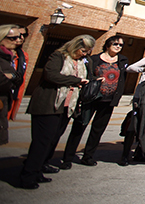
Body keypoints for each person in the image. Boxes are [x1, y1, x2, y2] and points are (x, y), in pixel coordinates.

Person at [20, 35, 94, 189]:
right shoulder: (59, 56)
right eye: (83, 50)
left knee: (53, 139)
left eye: (87, 51)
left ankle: (41, 166)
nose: (84, 54)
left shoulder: (83, 62)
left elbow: (87, 76)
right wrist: (75, 81)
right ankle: (28, 174)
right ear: (75, 46)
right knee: (42, 141)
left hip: (67, 106)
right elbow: (51, 75)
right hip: (49, 103)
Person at [61, 35, 129, 168]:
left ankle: (88, 156)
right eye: (116, 44)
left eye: (121, 45)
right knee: (79, 126)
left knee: (98, 129)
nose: (118, 47)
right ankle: (67, 158)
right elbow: (87, 75)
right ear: (108, 44)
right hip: (92, 97)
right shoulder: (94, 59)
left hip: (108, 100)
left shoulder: (122, 60)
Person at [1, 25, 25, 146]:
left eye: (20, 36)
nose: (18, 40)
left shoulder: (11, 55)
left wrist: (12, 76)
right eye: (13, 37)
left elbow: (19, 78)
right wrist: (12, 78)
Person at [7, 24, 28, 121]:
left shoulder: (23, 56)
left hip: (12, 94)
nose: (21, 38)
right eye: (18, 35)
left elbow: (22, 79)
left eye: (24, 35)